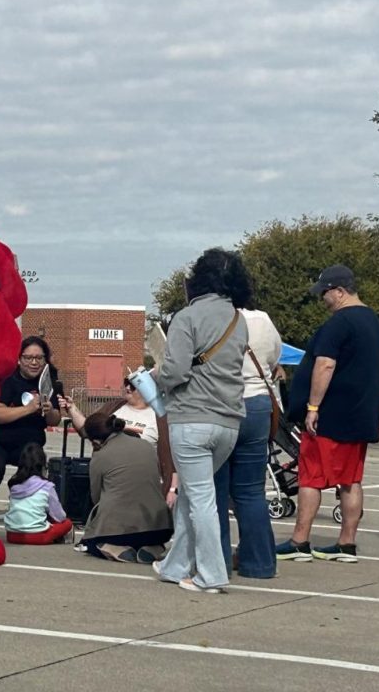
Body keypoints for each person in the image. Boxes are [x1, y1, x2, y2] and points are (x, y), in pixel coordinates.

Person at [151, 248, 251, 593]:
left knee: (201, 499)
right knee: (195, 497)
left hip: (192, 417)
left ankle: (210, 574)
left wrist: (157, 376)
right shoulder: (239, 320)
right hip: (229, 420)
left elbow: (176, 370)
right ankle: (175, 565)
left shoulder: (186, 317)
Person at [276, 264, 379, 564]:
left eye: (325, 292)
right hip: (361, 414)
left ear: (339, 291)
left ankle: (300, 541)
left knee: (310, 477)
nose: (322, 298)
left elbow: (325, 364)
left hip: (331, 416)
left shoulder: (340, 322)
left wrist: (312, 407)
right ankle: (346, 543)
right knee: (351, 480)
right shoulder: (374, 322)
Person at [215, 305, 282, 580]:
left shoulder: (212, 318)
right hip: (257, 404)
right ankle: (260, 562)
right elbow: (274, 355)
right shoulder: (263, 318)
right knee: (251, 491)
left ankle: (214, 561)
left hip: (221, 403)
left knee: (216, 491)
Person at [70, 401, 172, 563]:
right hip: (160, 526)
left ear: (95, 440)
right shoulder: (145, 445)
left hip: (118, 530)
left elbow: (96, 496)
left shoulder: (101, 455)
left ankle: (114, 548)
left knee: (92, 542)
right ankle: (152, 546)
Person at [0, 336, 62, 526]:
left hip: (30, 442)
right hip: (0, 440)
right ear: (19, 359)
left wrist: (49, 411)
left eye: (39, 358)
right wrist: (29, 409)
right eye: (28, 357)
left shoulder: (50, 381)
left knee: (35, 463)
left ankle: (31, 510)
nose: (33, 362)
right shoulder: (7, 379)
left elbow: (56, 419)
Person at [3, 444, 73, 545]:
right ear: (43, 466)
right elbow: (60, 516)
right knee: (67, 523)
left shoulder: (14, 485)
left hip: (12, 535)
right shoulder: (46, 486)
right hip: (38, 536)